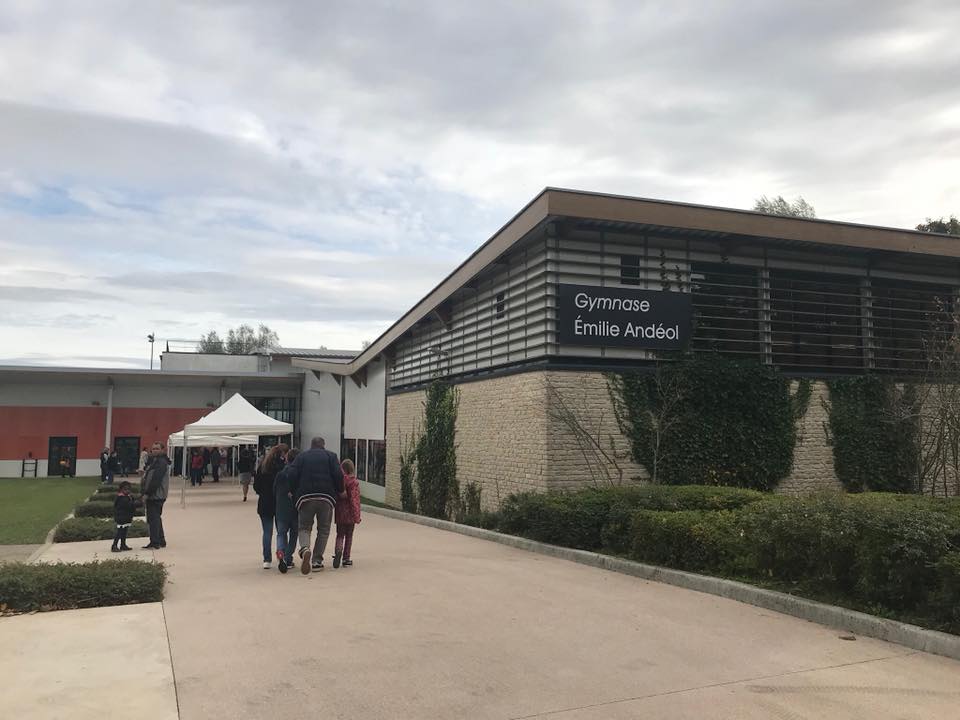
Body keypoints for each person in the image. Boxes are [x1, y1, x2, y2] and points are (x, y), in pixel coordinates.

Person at [287, 437, 344, 575]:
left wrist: (293, 490)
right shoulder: (331, 456)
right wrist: (341, 490)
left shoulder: (301, 457)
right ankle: (317, 561)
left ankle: (305, 548)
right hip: (326, 497)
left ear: (311, 445)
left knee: (304, 527)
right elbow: (338, 474)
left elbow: (291, 473)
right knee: (323, 530)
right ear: (323, 445)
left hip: (305, 497)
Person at [253, 444, 286, 570]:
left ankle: (267, 559)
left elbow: (256, 486)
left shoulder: (262, 467)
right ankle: (281, 556)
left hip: (265, 502)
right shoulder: (282, 468)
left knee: (267, 532)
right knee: (281, 532)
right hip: (278, 502)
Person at [274, 448, 300, 573]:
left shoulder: (280, 474)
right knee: (294, 534)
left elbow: (274, 490)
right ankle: (288, 557)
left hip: (281, 508)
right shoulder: (299, 474)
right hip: (295, 509)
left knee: (281, 533)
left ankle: (280, 552)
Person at [333, 458, 361, 568]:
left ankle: (338, 552)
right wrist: (356, 515)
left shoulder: (340, 482)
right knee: (349, 536)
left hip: (340, 512)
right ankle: (346, 558)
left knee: (340, 535)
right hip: (350, 513)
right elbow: (354, 500)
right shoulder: (354, 482)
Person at [141, 442, 170, 549]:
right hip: (156, 495)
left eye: (157, 448)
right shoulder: (155, 461)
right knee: (156, 518)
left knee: (153, 519)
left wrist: (147, 494)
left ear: (163, 450)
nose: (155, 450)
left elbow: (156, 480)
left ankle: (155, 542)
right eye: (153, 449)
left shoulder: (161, 462)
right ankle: (161, 540)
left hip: (156, 495)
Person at [111, 480, 135, 552]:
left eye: (128, 489)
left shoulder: (127, 497)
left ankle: (123, 544)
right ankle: (114, 545)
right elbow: (128, 506)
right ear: (121, 490)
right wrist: (136, 503)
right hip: (121, 518)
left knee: (124, 532)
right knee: (120, 532)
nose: (127, 491)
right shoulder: (121, 498)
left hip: (126, 517)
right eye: (125, 489)